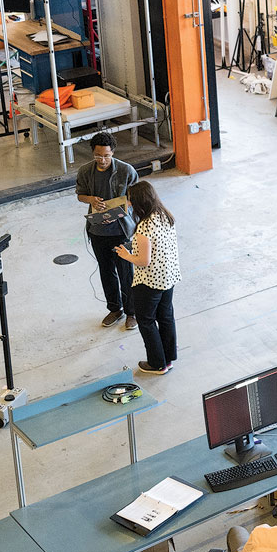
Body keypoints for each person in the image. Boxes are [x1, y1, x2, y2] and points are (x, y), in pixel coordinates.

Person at [73, 132, 138, 329]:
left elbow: (136, 195)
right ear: (93, 153)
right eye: (98, 156)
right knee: (106, 271)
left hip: (121, 231)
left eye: (107, 156)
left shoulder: (126, 171)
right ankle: (114, 309)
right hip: (98, 231)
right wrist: (91, 200)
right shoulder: (85, 171)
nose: (102, 160)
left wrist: (124, 204)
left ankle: (131, 312)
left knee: (126, 273)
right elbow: (80, 195)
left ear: (113, 153)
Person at [116, 179, 179, 375]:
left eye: (130, 200)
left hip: (149, 282)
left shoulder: (144, 227)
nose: (128, 203)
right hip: (168, 278)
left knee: (146, 320)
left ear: (138, 202)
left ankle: (157, 363)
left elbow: (143, 261)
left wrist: (126, 255)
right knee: (166, 317)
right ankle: (168, 358)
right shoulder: (165, 215)